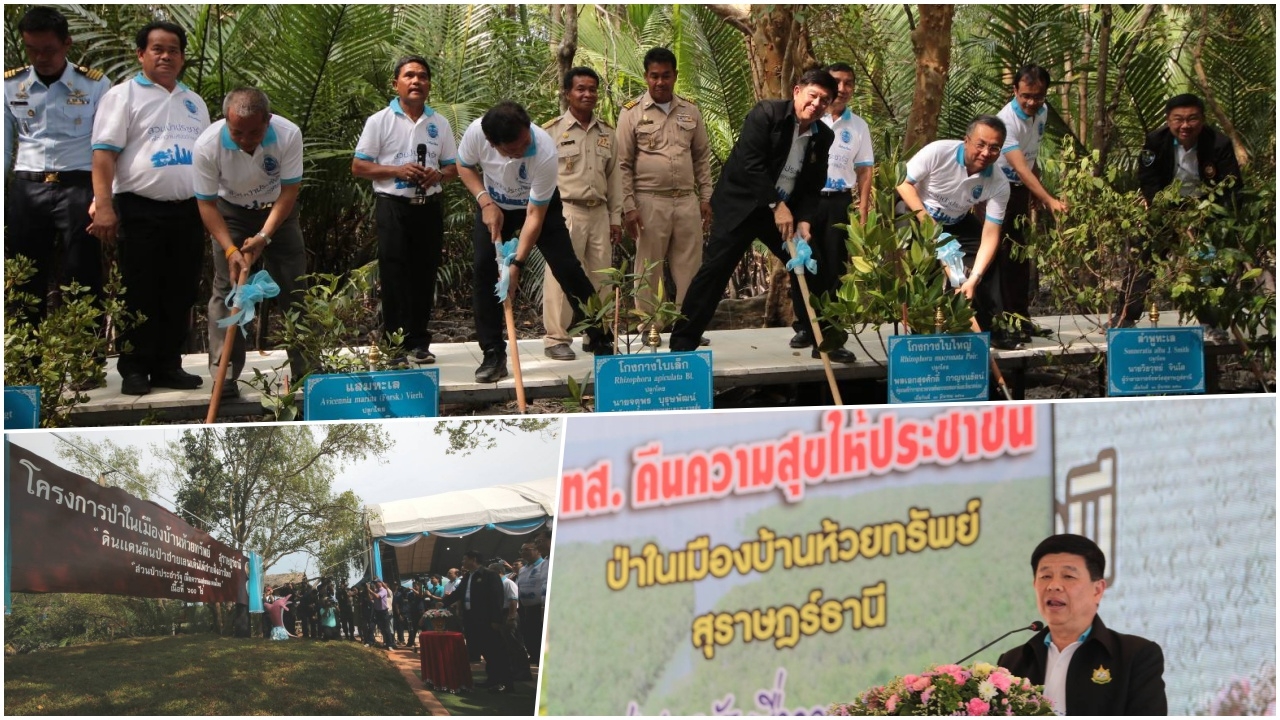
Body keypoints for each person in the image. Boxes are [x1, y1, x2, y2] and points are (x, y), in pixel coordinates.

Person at [669, 70, 838, 354]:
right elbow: (751, 163)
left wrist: (806, 220)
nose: (816, 104)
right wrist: (776, 205)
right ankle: (683, 344)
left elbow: (813, 184)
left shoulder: (824, 136)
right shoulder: (767, 114)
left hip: (783, 213)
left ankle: (826, 340)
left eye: (825, 100)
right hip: (742, 206)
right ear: (797, 91)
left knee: (812, 265)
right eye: (813, 95)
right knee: (714, 271)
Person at [88, 20, 210, 396]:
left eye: (173, 50)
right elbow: (104, 155)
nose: (166, 56)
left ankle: (169, 365)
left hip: (188, 210)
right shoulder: (123, 95)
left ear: (183, 58)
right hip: (140, 208)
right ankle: (135, 368)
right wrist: (104, 204)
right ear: (141, 54)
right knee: (139, 290)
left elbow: (206, 158)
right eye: (157, 49)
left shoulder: (195, 101)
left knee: (181, 289)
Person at [456, 100, 614, 383]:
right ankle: (493, 353)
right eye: (514, 149)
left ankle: (600, 336)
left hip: (538, 207)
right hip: (494, 205)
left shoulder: (543, 149)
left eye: (524, 141)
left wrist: (516, 264)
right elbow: (464, 165)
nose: (522, 150)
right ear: (493, 144)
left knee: (567, 267)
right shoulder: (476, 134)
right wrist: (484, 201)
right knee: (484, 271)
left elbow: (534, 216)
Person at [4, 6, 113, 389]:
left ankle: (85, 366)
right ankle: (24, 366)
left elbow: (106, 145)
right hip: (27, 187)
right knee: (22, 276)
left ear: (66, 43)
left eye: (48, 49)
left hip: (79, 186)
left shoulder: (96, 85)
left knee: (82, 275)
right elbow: (4, 147)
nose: (40, 58)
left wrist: (104, 198)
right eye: (32, 49)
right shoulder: (8, 85)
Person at [195, 86, 309, 398]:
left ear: (268, 121)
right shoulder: (207, 144)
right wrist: (231, 249)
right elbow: (206, 205)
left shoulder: (288, 134)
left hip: (277, 213)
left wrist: (264, 236)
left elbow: (289, 191)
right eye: (237, 133)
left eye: (254, 132)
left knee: (293, 285)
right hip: (229, 213)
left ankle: (307, 370)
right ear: (225, 121)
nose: (245, 140)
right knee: (228, 290)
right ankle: (225, 376)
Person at [352, 56, 457, 364]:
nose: (416, 81)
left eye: (422, 76)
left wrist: (438, 174)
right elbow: (358, 166)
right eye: (409, 76)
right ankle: (394, 345)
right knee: (394, 273)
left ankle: (419, 342)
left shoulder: (439, 123)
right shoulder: (380, 120)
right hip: (393, 207)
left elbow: (453, 168)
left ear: (429, 84)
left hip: (429, 207)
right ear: (395, 83)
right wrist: (397, 171)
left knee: (425, 274)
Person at [998, 534, 1167, 715]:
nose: (1053, 586)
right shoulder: (1012, 662)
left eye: (1068, 576)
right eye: (1045, 576)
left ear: (1097, 590)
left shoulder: (1136, 656)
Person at [1113, 93, 1242, 330]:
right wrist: (1160, 209)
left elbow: (1232, 185)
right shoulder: (1155, 141)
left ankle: (1213, 322)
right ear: (1168, 120)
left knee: (1207, 264)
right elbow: (1147, 178)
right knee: (1144, 257)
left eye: (1192, 119)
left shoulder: (1219, 143)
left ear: (1202, 120)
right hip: (1165, 209)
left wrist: (1210, 217)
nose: (1185, 126)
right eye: (1178, 119)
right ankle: (1125, 316)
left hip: (1205, 210)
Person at [616, 47, 714, 342]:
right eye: (654, 76)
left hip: (686, 200)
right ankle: (650, 326)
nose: (660, 82)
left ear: (675, 76)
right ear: (646, 77)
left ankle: (688, 327)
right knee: (648, 266)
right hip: (649, 201)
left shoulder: (690, 111)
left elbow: (701, 157)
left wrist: (706, 197)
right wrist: (629, 207)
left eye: (666, 76)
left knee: (690, 267)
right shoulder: (632, 112)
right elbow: (621, 163)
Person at [894, 116, 1014, 346]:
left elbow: (991, 233)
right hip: (916, 211)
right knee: (923, 258)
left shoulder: (999, 182)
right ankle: (922, 328)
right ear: (966, 140)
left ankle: (989, 328)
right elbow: (902, 183)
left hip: (957, 219)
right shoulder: (939, 152)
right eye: (980, 144)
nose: (986, 152)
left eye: (994, 148)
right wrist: (928, 224)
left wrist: (975, 278)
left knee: (987, 259)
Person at [787, 61, 874, 363]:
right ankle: (803, 325)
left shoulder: (859, 126)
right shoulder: (810, 116)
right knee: (803, 262)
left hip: (838, 202)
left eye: (849, 83)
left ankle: (830, 330)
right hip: (806, 203)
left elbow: (865, 170)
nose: (843, 88)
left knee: (834, 268)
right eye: (837, 82)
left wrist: (862, 208)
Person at [540, 67, 622, 361]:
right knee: (561, 276)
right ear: (567, 93)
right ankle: (556, 338)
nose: (587, 94)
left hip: (599, 213)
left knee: (601, 278)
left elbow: (615, 180)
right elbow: (540, 176)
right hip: (566, 212)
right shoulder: (551, 131)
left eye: (592, 89)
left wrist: (615, 219)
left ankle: (596, 335)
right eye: (580, 89)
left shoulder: (608, 133)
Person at [994, 65, 1067, 345]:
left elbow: (1032, 155)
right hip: (998, 191)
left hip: (1020, 190)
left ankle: (1021, 320)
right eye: (1025, 96)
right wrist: (1048, 198)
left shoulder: (1042, 112)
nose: (1031, 102)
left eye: (1038, 96)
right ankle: (1003, 324)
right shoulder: (1006, 121)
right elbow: (1019, 167)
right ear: (1015, 91)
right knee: (1001, 258)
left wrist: (1035, 188)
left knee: (1019, 256)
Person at [443, 551, 512, 692]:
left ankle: (504, 683)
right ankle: (492, 679)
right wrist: (442, 603)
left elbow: (497, 598)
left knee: (496, 651)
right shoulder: (468, 576)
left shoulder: (489, 575)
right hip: (472, 619)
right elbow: (458, 594)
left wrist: (496, 619)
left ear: (473, 560)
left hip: (488, 620)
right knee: (485, 651)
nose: (462, 562)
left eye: (464, 559)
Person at [516, 541, 548, 665]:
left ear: (537, 550)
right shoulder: (523, 569)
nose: (524, 553)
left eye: (527, 549)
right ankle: (535, 655)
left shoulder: (544, 565)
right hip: (525, 607)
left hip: (539, 606)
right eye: (522, 550)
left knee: (541, 634)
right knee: (529, 634)